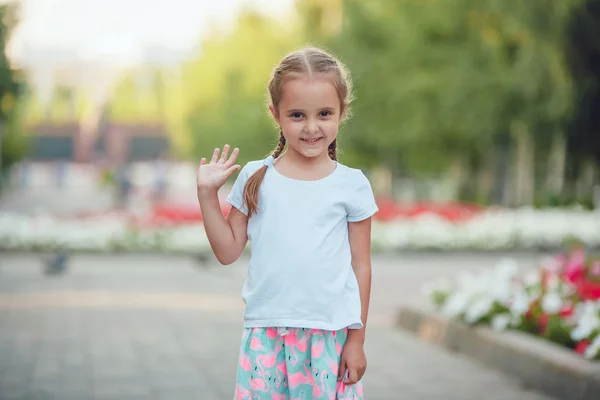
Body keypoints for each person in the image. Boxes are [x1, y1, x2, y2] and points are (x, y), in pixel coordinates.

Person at [196, 47, 378, 399]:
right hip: (267, 335)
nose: (312, 127)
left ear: (342, 112)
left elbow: (362, 266)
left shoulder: (352, 184)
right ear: (275, 115)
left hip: (330, 335)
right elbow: (227, 251)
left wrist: (356, 340)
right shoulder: (256, 177)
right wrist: (207, 195)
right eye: (297, 115)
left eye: (324, 113)